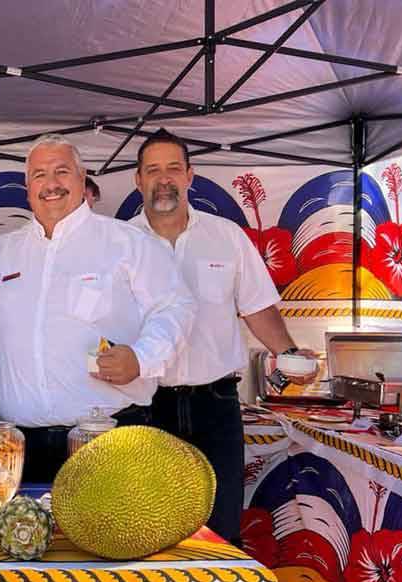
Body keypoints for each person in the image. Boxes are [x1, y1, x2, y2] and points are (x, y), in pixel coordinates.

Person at [126, 128, 318, 544]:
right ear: (138, 180)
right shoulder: (119, 242)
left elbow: (257, 307)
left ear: (190, 175)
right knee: (147, 528)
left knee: (220, 531)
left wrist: (289, 353)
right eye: (153, 170)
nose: (164, 179)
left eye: (173, 168)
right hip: (144, 405)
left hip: (215, 405)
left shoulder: (226, 236)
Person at [0, 134, 196, 484]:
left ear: (82, 177)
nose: (51, 184)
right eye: (39, 175)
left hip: (107, 437)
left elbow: (175, 307)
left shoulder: (128, 242)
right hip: (21, 449)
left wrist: (142, 358)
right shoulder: (0, 252)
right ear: (27, 188)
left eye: (61, 171)